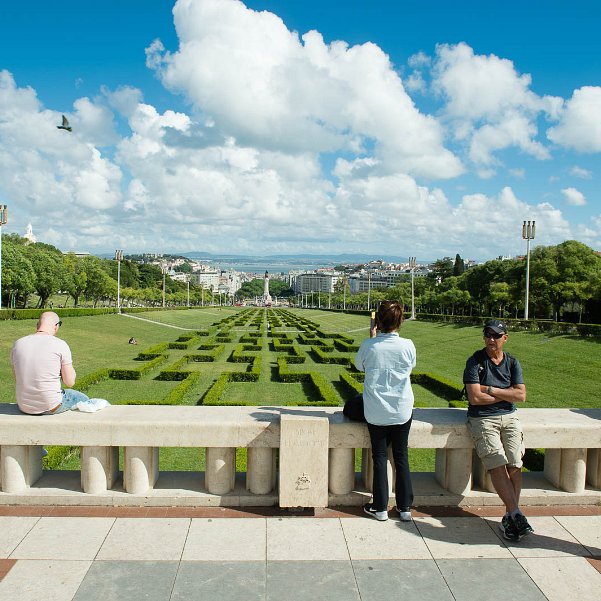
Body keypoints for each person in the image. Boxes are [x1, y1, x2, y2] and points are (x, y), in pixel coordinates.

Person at [463, 319, 534, 541]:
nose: (491, 339)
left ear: (505, 338)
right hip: (483, 419)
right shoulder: (475, 361)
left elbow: (521, 395)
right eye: (487, 335)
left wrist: (491, 389)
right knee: (496, 462)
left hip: (509, 417)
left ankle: (509, 516)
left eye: (496, 335)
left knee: (515, 462)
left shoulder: (512, 362)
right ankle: (516, 513)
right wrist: (506, 392)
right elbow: (474, 398)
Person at [354, 300, 416, 522]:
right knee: (401, 456)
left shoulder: (369, 345)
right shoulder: (408, 345)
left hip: (376, 410)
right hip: (401, 409)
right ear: (400, 321)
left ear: (378, 322)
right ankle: (405, 508)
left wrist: (372, 338)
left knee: (380, 456)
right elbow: (410, 367)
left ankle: (380, 508)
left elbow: (359, 366)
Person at [11, 311, 94, 414]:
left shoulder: (18, 344)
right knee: (83, 398)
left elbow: (18, 377)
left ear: (38, 325)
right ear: (56, 326)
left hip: (23, 406)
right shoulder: (60, 344)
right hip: (51, 406)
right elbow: (70, 382)